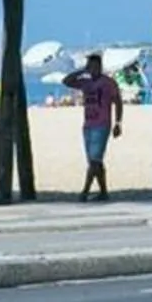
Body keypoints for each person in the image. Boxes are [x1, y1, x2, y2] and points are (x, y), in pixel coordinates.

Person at [64, 52, 125, 200]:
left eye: (93, 65)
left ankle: (85, 191)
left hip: (102, 124)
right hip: (88, 125)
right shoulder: (86, 82)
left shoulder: (108, 82)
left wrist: (118, 123)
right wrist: (83, 71)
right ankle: (104, 192)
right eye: (89, 66)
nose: (91, 68)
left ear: (99, 66)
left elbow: (118, 101)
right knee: (94, 161)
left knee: (94, 160)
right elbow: (66, 81)